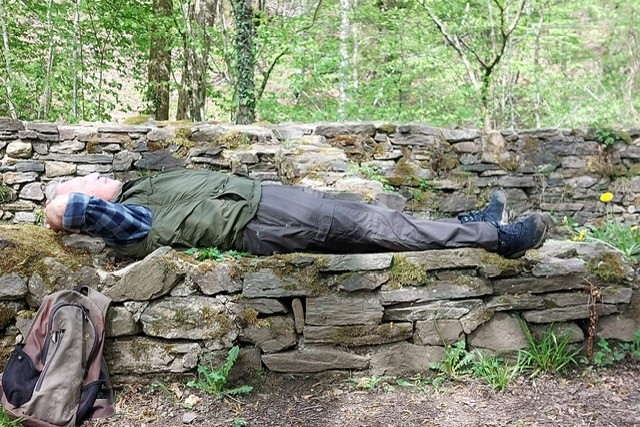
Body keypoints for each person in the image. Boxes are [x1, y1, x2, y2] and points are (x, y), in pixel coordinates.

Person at [44, 168, 549, 259]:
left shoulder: (139, 185)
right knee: (382, 227)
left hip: (267, 200)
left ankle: (472, 225)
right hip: (261, 220)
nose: (95, 174)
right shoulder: (128, 220)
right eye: (84, 179)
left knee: (378, 219)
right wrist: (58, 202)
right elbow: (70, 210)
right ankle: (500, 239)